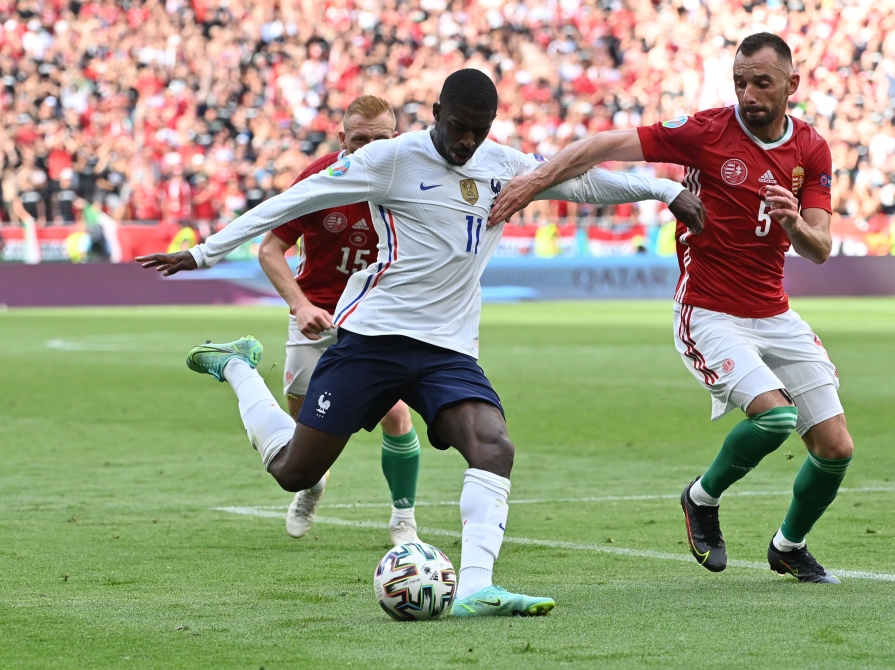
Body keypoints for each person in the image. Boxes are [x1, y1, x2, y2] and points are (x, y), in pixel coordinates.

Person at [137, 68, 704, 616]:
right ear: (436, 113)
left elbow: (580, 181)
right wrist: (205, 251)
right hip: (373, 339)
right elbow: (293, 202)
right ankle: (238, 368)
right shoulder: (390, 159)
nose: (465, 140)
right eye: (457, 126)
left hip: (448, 349)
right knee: (295, 473)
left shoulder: (501, 162)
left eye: (477, 130)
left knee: (493, 447)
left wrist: (659, 188)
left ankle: (476, 589)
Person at [490, 33, 853, 584]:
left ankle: (788, 545)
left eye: (762, 83)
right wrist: (537, 179)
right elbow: (606, 144)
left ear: (792, 86)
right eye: (740, 83)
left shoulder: (812, 149)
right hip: (710, 311)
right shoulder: (708, 131)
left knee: (835, 448)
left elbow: (820, 249)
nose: (748, 94)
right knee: (775, 417)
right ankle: (701, 500)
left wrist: (794, 223)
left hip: (775, 312)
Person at [256, 95, 424, 543]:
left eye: (381, 139)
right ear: (342, 138)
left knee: (395, 412)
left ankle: (403, 518)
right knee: (304, 431)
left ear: (397, 138)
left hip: (377, 315)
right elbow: (270, 249)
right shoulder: (319, 179)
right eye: (360, 139)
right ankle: (313, 485)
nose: (370, 148)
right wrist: (300, 305)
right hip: (317, 313)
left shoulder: (413, 179)